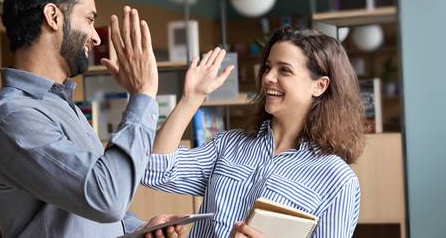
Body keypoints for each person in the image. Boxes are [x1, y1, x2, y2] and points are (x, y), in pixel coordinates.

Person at [0, 0, 191, 238]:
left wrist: (139, 229)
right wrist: (143, 94)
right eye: (89, 19)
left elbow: (84, 206)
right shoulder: (14, 117)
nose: (96, 36)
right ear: (53, 17)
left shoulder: (63, 107)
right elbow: (106, 198)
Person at [142, 27, 366, 237]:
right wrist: (191, 99)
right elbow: (154, 170)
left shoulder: (337, 180)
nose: (267, 77)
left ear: (320, 86)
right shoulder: (228, 145)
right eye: (268, 67)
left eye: (284, 70)